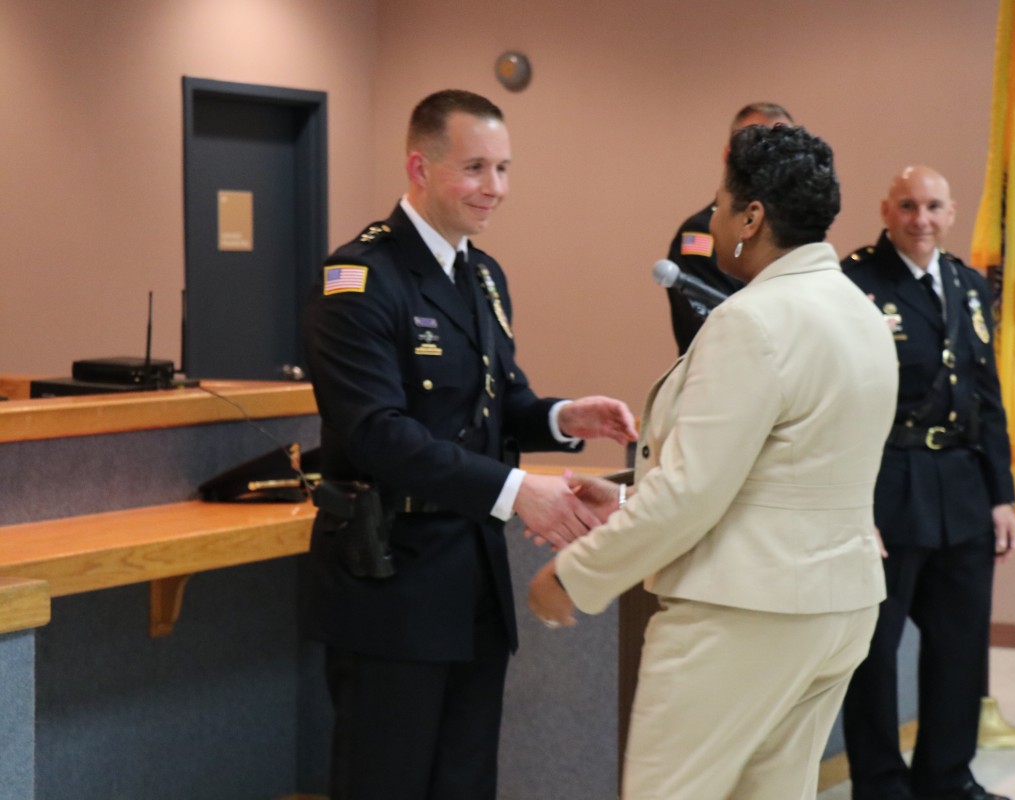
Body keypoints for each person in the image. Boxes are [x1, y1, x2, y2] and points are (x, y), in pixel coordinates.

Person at [528, 124, 898, 800]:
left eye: (721, 205)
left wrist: (575, 572)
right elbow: (783, 472)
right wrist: (627, 503)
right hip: (837, 608)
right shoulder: (862, 313)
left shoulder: (750, 321)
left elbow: (693, 495)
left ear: (752, 217)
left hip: (744, 614)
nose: (713, 218)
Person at [301, 89, 637, 800]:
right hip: (391, 583)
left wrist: (563, 418)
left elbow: (498, 401)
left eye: (505, 169)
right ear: (419, 168)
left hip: (471, 585)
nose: (496, 190)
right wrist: (519, 493)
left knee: (464, 784)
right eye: (477, 168)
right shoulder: (359, 278)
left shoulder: (481, 274)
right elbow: (377, 435)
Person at [840, 166, 1015, 800]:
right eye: (909, 206)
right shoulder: (854, 282)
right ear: (887, 211)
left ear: (951, 214)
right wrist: (850, 507)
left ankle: (947, 775)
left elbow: (987, 397)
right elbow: (839, 403)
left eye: (934, 207)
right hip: (888, 484)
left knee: (960, 642)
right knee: (876, 648)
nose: (922, 219)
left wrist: (1002, 496)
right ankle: (882, 784)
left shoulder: (969, 286)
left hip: (962, 487)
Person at [664, 102, 794, 355]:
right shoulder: (703, 234)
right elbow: (717, 335)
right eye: (756, 146)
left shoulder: (793, 231)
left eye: (783, 147)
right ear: (728, 155)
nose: (770, 157)